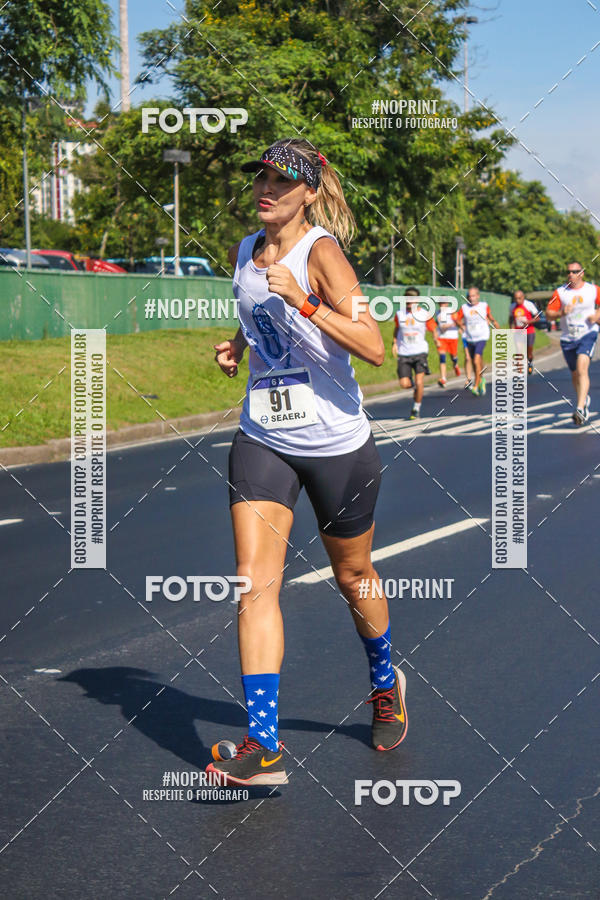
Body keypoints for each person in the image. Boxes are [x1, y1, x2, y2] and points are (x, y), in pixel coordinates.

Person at [208, 139, 408, 786]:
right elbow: (257, 304)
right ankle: (263, 747)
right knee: (253, 581)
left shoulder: (321, 253)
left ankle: (384, 678)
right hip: (263, 436)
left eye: (283, 180)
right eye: (262, 176)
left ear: (310, 193)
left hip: (337, 446)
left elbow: (374, 347)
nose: (268, 187)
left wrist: (305, 300)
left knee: (353, 578)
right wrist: (239, 344)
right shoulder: (245, 249)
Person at [546, 262, 600, 425]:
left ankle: (580, 408)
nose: (571, 274)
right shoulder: (561, 292)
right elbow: (548, 314)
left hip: (588, 333)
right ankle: (583, 399)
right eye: (568, 272)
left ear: (582, 273)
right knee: (575, 374)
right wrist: (562, 312)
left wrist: (597, 314)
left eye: (575, 271)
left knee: (582, 367)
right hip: (568, 337)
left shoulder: (592, 290)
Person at [392, 288, 436, 418]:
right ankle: (415, 386)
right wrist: (394, 343)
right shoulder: (400, 314)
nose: (409, 303)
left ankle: (416, 408)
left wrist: (436, 340)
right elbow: (396, 329)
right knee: (404, 384)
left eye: (412, 300)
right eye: (407, 300)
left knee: (419, 382)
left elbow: (433, 329)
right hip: (404, 352)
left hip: (420, 351)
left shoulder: (424, 314)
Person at [455, 286, 499, 396]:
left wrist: (495, 323)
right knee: (477, 363)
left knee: (475, 360)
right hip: (470, 337)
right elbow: (457, 319)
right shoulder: (464, 308)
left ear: (478, 296)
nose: (471, 298)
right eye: (469, 296)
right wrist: (461, 325)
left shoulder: (484, 306)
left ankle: (475, 385)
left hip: (482, 336)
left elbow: (489, 316)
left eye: (474, 296)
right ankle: (482, 379)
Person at [509, 290, 539, 375]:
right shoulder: (512, 307)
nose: (517, 300)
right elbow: (511, 318)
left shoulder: (529, 305)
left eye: (519, 298)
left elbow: (537, 318)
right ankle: (520, 374)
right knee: (518, 352)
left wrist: (528, 322)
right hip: (518, 332)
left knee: (529, 354)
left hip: (529, 331)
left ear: (523, 297)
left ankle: (530, 362)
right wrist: (511, 327)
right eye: (515, 299)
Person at [433, 298, 461, 387]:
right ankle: (443, 378)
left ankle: (455, 364)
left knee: (453, 356)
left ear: (447, 304)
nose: (442, 305)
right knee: (442, 357)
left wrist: (459, 326)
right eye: (440, 304)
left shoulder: (453, 312)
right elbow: (441, 327)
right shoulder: (438, 314)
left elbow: (459, 321)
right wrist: (436, 338)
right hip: (442, 338)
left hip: (453, 337)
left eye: (444, 303)